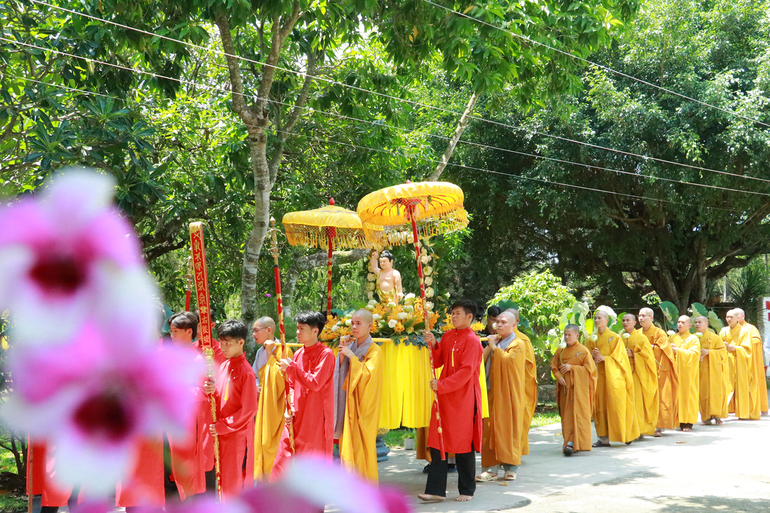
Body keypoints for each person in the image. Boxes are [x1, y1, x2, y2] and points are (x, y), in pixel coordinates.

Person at [418, 300, 483, 503]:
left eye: (457, 313)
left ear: (469, 317)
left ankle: (467, 490)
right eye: (452, 313)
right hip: (445, 396)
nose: (453, 317)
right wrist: (433, 344)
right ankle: (436, 491)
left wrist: (442, 385)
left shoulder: (473, 341)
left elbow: (465, 372)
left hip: (463, 398)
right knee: (438, 441)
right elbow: (438, 361)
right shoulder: (447, 336)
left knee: (463, 444)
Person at [167, 311, 224, 499]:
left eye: (176, 331)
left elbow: (210, 390)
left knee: (197, 469)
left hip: (197, 422)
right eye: (171, 332)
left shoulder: (203, 357)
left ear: (189, 331)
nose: (172, 336)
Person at [272, 311, 335, 480]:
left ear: (315, 331)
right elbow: (292, 385)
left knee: (312, 463)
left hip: (315, 419)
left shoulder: (326, 354)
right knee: (282, 461)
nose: (297, 332)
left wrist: (291, 368)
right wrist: (289, 407)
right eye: (297, 328)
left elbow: (315, 383)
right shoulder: (298, 354)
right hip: (297, 415)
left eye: (302, 328)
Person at [477, 310, 536, 482]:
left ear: (514, 324)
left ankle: (511, 467)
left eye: (504, 322)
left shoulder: (518, 343)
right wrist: (490, 346)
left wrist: (495, 348)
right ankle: (491, 469)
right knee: (490, 430)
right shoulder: (495, 341)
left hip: (509, 394)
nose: (499, 325)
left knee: (509, 429)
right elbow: (481, 361)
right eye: (498, 322)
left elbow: (510, 363)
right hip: (492, 393)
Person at [203, 320, 258, 499]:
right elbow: (223, 396)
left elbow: (249, 409)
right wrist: (213, 391)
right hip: (222, 433)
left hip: (236, 436)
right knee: (223, 481)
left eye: (228, 343)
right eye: (221, 343)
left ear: (241, 342)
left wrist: (223, 426)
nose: (223, 347)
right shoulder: (225, 365)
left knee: (233, 483)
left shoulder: (246, 372)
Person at [335, 309, 384, 481]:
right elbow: (341, 372)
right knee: (347, 447)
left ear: (370, 326)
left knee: (363, 448)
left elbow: (368, 377)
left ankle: (366, 488)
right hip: (348, 404)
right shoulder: (352, 346)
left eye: (358, 323)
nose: (354, 327)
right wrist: (344, 352)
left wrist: (352, 358)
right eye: (352, 323)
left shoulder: (375, 351)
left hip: (364, 409)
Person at [587, 308, 639, 447]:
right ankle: (603, 438)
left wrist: (605, 358)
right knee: (600, 408)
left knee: (616, 405)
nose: (597, 320)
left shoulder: (615, 337)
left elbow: (621, 358)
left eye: (600, 318)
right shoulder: (591, 339)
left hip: (613, 377)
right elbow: (586, 358)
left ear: (606, 320)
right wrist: (593, 356)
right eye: (595, 318)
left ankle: (623, 434)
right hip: (598, 377)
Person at [252, 317, 293, 479]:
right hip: (262, 403)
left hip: (277, 405)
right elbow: (255, 375)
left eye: (256, 330)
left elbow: (282, 380)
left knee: (274, 445)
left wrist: (270, 353)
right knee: (262, 441)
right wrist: (257, 386)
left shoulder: (283, 350)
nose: (254, 334)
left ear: (269, 330)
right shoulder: (259, 351)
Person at [551, 324, 597, 455]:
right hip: (565, 389)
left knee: (579, 414)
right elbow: (554, 365)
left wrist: (572, 368)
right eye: (565, 335)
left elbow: (591, 371)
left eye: (569, 335)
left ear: (577, 335)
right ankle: (569, 441)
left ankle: (575, 443)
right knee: (567, 416)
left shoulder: (583, 351)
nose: (566, 337)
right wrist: (559, 377)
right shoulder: (560, 351)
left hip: (579, 391)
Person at [639, 307, 678, 436]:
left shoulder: (659, 333)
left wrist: (650, 347)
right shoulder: (637, 333)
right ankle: (643, 425)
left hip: (657, 370)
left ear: (651, 318)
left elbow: (665, 350)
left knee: (660, 397)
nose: (641, 318)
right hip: (642, 369)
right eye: (639, 315)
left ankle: (658, 426)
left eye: (644, 316)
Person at [622, 314, 659, 438]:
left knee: (636, 402)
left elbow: (648, 358)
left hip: (637, 374)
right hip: (623, 373)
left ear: (634, 323)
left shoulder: (641, 338)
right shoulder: (619, 338)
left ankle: (638, 429)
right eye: (623, 320)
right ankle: (628, 429)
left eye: (628, 320)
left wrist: (633, 354)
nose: (625, 322)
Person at [723, 309, 759, 420]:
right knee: (726, 385)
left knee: (742, 386)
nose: (729, 319)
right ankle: (724, 411)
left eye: (731, 317)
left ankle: (743, 412)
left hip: (741, 363)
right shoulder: (724, 331)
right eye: (727, 317)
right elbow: (719, 346)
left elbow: (747, 349)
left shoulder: (745, 331)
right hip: (728, 362)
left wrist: (735, 348)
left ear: (737, 318)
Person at [734, 308, 769, 415]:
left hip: (750, 361)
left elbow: (756, 341)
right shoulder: (730, 330)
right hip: (736, 360)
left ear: (743, 316)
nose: (734, 318)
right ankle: (738, 409)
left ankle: (758, 407)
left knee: (754, 383)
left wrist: (743, 345)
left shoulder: (750, 328)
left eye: (737, 315)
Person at [695, 316, 728, 425]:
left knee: (716, 392)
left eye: (700, 322)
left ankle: (717, 415)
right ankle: (706, 417)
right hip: (700, 371)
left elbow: (723, 353)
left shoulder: (715, 338)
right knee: (703, 393)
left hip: (714, 371)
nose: (697, 324)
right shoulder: (693, 338)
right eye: (695, 322)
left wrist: (709, 352)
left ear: (706, 324)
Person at [670, 316, 700, 431]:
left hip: (687, 373)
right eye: (678, 322)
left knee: (688, 395)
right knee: (675, 395)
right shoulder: (673, 337)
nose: (680, 324)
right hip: (675, 371)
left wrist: (678, 351)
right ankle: (676, 420)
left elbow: (694, 354)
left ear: (689, 325)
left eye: (683, 322)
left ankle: (687, 422)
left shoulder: (693, 339)